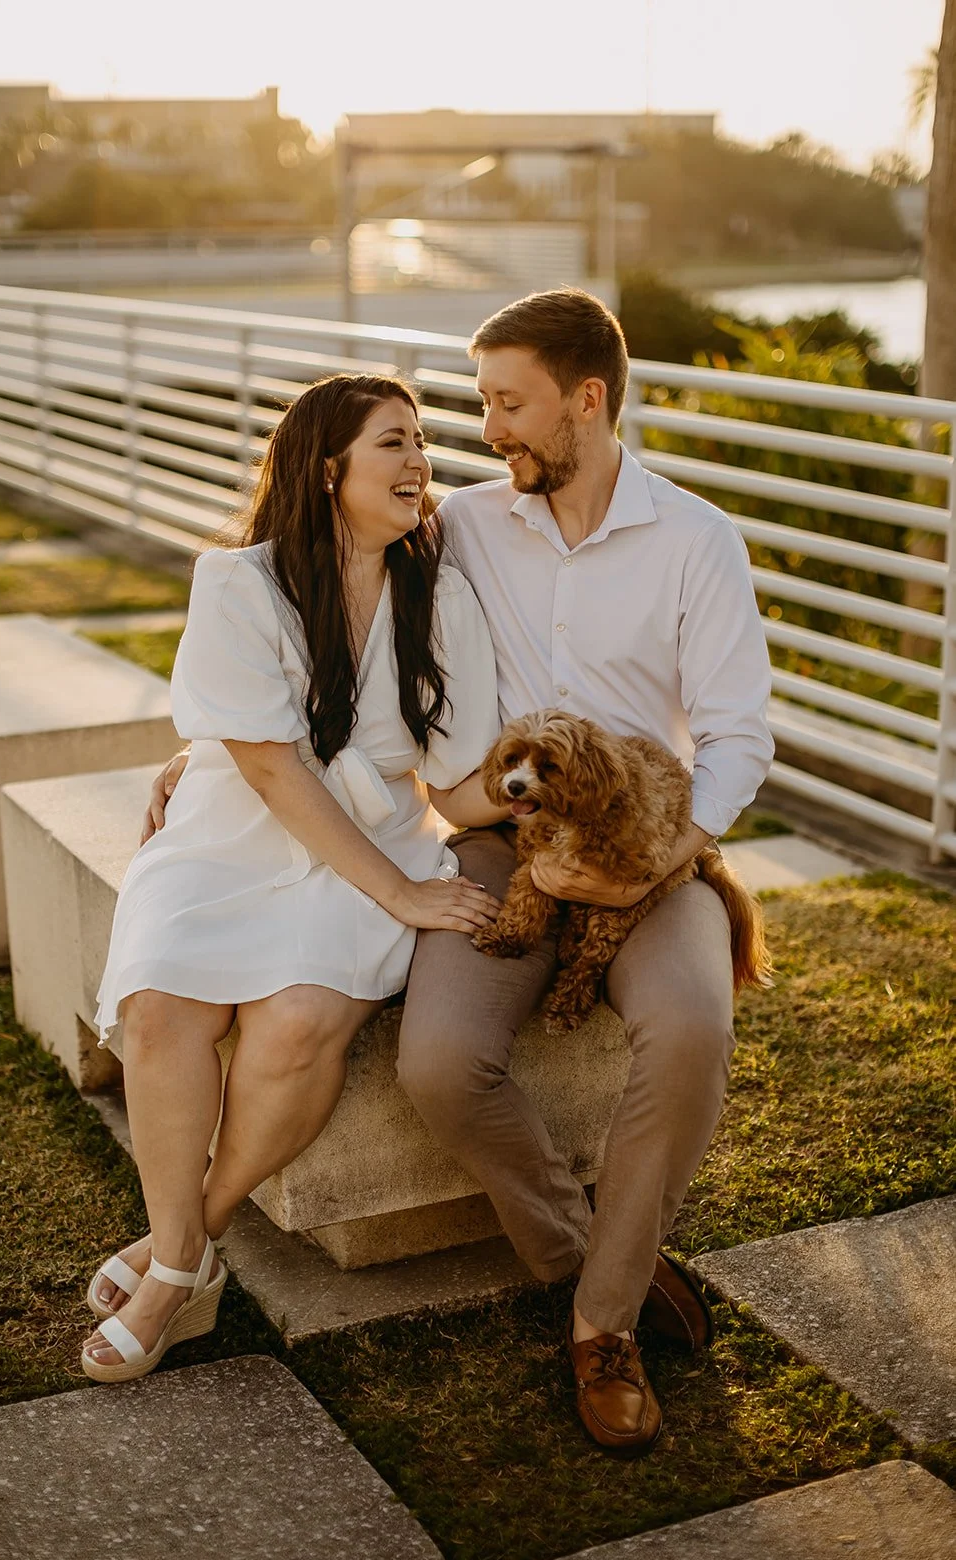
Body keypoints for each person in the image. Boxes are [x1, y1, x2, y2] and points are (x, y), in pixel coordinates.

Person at [144, 289, 774, 1457]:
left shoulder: (696, 541)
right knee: (440, 1060)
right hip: (498, 843)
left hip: (651, 847)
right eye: (478, 404)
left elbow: (737, 735)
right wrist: (205, 744)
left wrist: (664, 858)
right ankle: (596, 1259)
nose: (486, 430)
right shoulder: (461, 526)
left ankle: (598, 1331)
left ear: (586, 401)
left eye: (507, 403)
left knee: (688, 1030)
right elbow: (311, 602)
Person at [81, 373, 505, 1382]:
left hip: (373, 836)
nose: (418, 464)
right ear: (327, 469)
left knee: (300, 1021)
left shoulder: (438, 593)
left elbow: (458, 773)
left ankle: (177, 1251)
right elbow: (268, 763)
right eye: (392, 444)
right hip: (235, 822)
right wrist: (401, 897)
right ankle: (184, 1258)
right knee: (160, 1006)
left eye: (420, 444)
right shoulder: (239, 582)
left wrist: (583, 798)